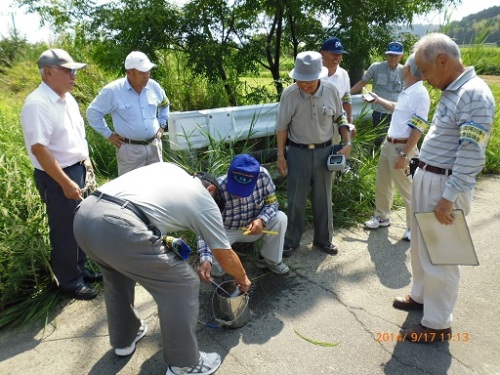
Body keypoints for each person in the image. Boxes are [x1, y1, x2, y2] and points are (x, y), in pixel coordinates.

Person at [73, 162, 251, 374]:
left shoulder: (171, 170)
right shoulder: (204, 199)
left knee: (117, 275)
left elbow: (147, 213)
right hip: (117, 222)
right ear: (210, 190)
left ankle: (124, 339)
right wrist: (243, 278)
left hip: (84, 215)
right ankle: (184, 363)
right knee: (182, 283)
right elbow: (225, 254)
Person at [393, 33, 495, 343]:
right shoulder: (453, 90)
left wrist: (448, 198)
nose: (423, 78)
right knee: (422, 246)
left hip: (446, 185)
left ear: (442, 61)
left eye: (424, 71)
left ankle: (437, 324)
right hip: (428, 175)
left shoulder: (474, 95)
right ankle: (421, 296)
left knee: (443, 254)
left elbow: (470, 152)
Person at [20, 48, 101, 300]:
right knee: (65, 229)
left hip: (77, 168)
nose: (74, 75)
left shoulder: (67, 98)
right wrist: (65, 182)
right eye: (68, 71)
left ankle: (80, 268)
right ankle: (69, 282)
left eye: (74, 70)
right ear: (48, 73)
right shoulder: (38, 104)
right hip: (57, 176)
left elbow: (78, 136)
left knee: (80, 223)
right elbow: (39, 150)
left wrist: (87, 162)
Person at [276, 51, 352, 257]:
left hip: (325, 151)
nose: (304, 85)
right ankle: (291, 241)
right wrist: (281, 156)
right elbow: (282, 127)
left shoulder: (331, 91)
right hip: (298, 153)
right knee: (295, 199)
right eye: (300, 80)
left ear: (319, 76)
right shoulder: (289, 95)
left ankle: (323, 240)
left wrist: (347, 141)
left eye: (309, 81)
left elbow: (341, 118)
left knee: (323, 198)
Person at [364, 54, 430, 241]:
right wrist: (378, 100)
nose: (401, 68)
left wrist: (405, 154)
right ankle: (382, 216)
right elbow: (397, 108)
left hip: (402, 148)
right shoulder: (408, 89)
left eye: (404, 65)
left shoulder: (420, 93)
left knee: (408, 189)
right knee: (382, 183)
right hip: (389, 144)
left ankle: (413, 227)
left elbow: (418, 127)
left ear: (408, 69)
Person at [198, 154, 289, 280]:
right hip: (225, 232)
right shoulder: (217, 188)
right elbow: (204, 228)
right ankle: (216, 268)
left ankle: (271, 260)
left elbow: (272, 203)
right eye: (235, 188)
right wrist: (205, 259)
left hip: (254, 227)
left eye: (244, 190)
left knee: (280, 218)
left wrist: (262, 220)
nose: (239, 194)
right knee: (215, 270)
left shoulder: (263, 176)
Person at [86, 51, 169, 176]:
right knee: (131, 189)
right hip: (130, 150)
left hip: (154, 147)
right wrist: (108, 134)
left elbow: (164, 104)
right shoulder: (113, 90)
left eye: (148, 71)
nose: (147, 75)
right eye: (142, 72)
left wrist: (162, 126)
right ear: (129, 72)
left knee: (157, 185)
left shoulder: (154, 86)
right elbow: (92, 112)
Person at [350, 41, 404, 148]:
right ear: (386, 55)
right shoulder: (376, 67)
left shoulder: (405, 71)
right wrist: (347, 94)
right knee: (379, 140)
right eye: (390, 55)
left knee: (395, 140)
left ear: (401, 56)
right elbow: (362, 83)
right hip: (380, 111)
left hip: (397, 112)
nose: (393, 58)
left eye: (396, 56)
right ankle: (376, 161)